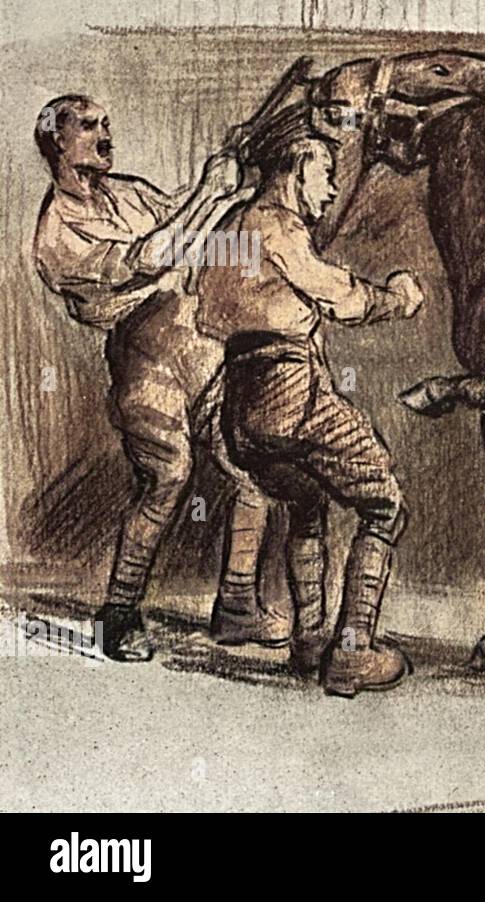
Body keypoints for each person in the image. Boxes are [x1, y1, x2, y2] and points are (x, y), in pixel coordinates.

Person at [32, 94, 288, 661]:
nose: (106, 132)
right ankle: (118, 614)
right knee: (169, 477)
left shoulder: (127, 192)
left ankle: (237, 604)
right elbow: (153, 255)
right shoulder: (56, 234)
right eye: (91, 127)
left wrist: (247, 195)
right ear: (58, 144)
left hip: (203, 353)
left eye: (107, 121)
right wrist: (208, 190)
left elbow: (194, 228)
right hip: (147, 368)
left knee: (252, 467)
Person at [195, 135, 425, 696]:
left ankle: (310, 641)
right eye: (324, 176)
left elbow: (208, 313)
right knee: (384, 504)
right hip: (290, 392)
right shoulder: (278, 227)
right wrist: (396, 297)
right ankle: (351, 652)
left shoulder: (230, 229)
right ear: (297, 168)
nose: (330, 192)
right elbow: (341, 299)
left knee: (305, 500)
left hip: (240, 408)